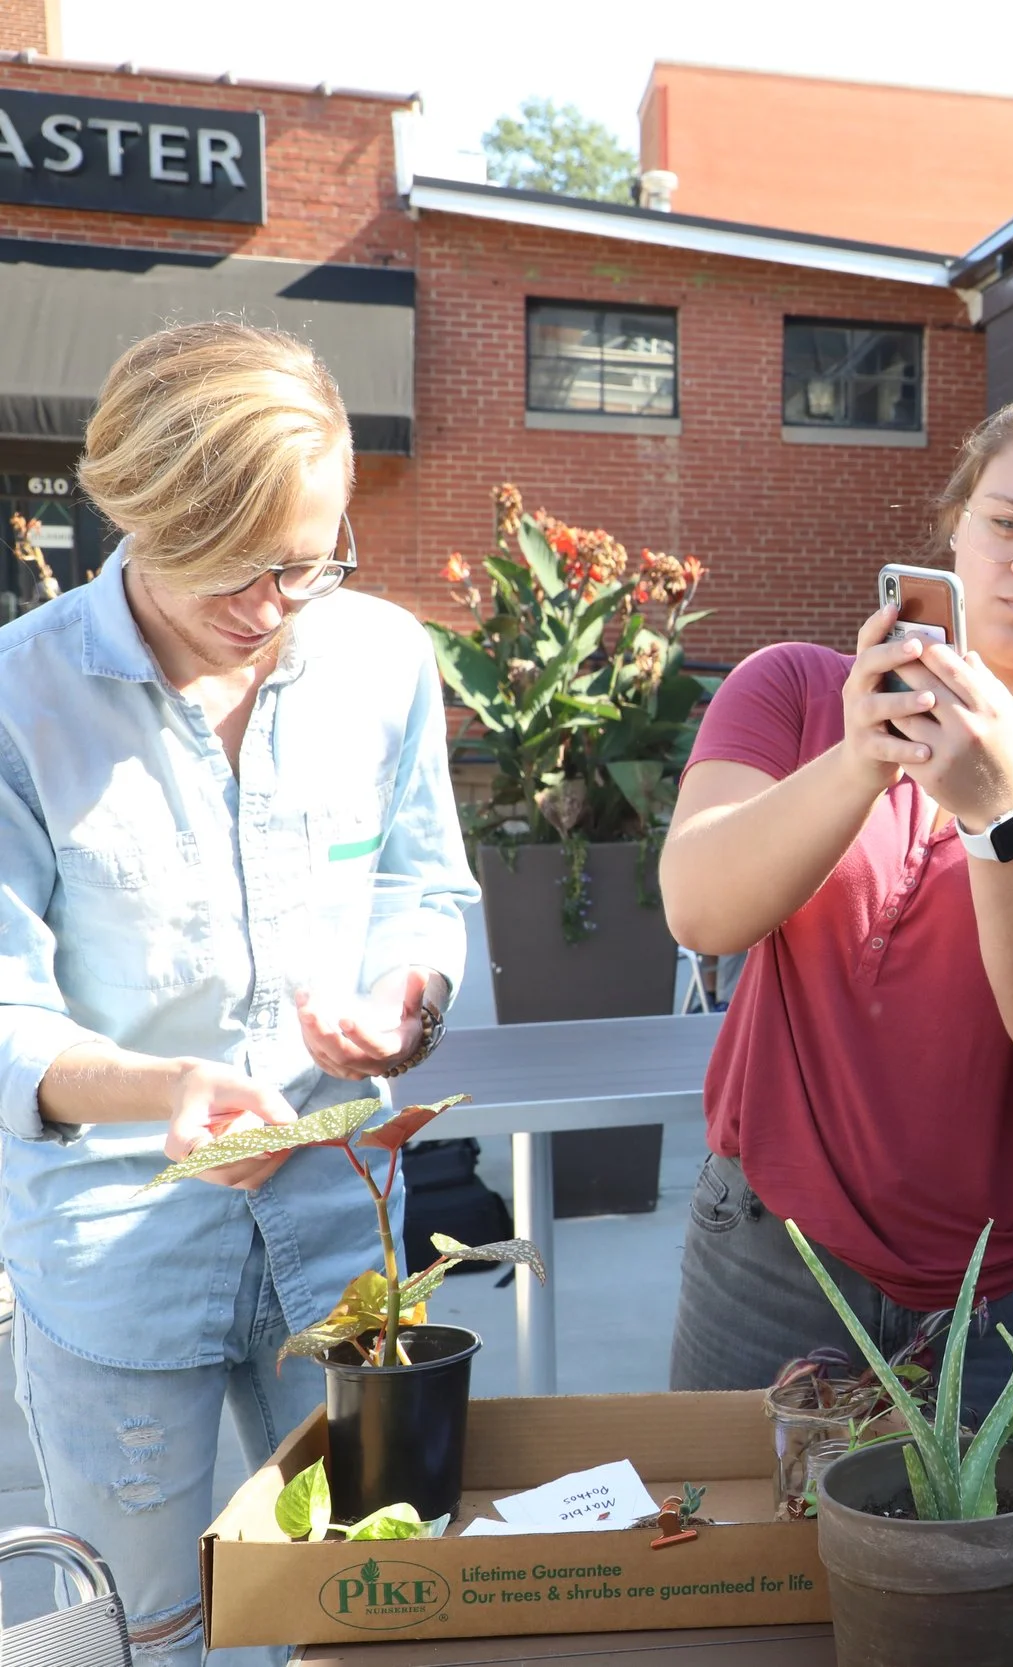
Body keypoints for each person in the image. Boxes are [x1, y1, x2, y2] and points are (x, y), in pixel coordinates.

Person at [0, 322, 476, 1666]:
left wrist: (404, 990)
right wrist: (157, 1088)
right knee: (145, 1629)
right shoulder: (21, 701)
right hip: (113, 1248)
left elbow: (422, 885)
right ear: (134, 514)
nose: (275, 601)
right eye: (232, 565)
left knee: (369, 1603)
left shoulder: (380, 661)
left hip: (340, 1223)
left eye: (310, 558)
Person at [660, 394, 1013, 1448]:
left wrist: (1003, 808)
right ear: (955, 520)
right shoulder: (796, 689)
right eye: (1005, 522)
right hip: (772, 1258)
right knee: (742, 1578)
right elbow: (703, 907)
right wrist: (863, 755)